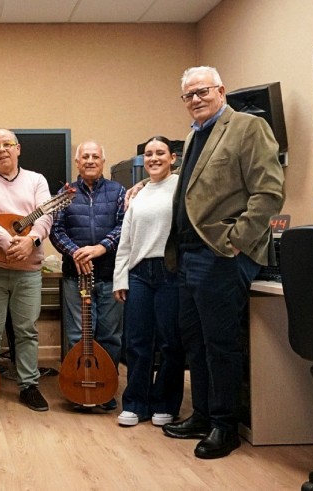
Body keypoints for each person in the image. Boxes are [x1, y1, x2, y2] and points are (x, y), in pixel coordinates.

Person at [159, 67, 285, 459]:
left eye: (203, 91)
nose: (195, 99)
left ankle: (225, 426)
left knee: (220, 344)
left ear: (221, 91)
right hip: (187, 255)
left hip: (220, 254)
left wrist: (236, 242)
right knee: (194, 342)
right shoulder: (195, 135)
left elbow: (268, 191)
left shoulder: (247, 127)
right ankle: (202, 413)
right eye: (188, 95)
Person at [0, 128, 52, 412]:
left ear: (19, 148)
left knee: (26, 331)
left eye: (7, 144)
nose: (2, 149)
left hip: (28, 272)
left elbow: (46, 213)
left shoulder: (36, 180)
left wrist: (31, 241)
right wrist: (8, 242)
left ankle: (29, 385)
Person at [112, 136, 184, 428]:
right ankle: (135, 403)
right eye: (149, 155)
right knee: (137, 343)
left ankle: (165, 403)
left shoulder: (181, 187)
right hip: (139, 273)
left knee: (170, 343)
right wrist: (121, 278)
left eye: (160, 153)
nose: (153, 158)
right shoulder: (137, 195)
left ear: (173, 158)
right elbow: (125, 241)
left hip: (170, 272)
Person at [50, 140, 125, 412]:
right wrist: (77, 253)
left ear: (103, 162)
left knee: (110, 336)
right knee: (77, 335)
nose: (90, 161)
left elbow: (124, 226)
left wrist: (100, 247)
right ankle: (77, 387)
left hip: (109, 275)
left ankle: (107, 387)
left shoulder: (118, 192)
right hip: (75, 276)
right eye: (85, 157)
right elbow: (56, 231)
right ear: (77, 163)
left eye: (95, 156)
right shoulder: (65, 193)